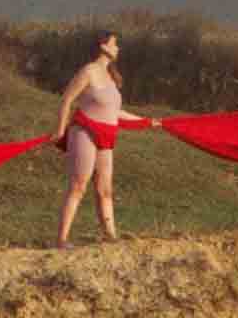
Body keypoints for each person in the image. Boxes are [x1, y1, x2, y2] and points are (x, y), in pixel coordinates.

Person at [53, 29, 159, 246]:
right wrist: (60, 130)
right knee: (78, 186)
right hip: (85, 131)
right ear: (103, 46)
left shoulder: (112, 77)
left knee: (105, 190)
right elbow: (66, 100)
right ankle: (61, 240)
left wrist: (146, 121)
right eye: (115, 43)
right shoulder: (88, 71)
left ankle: (111, 238)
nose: (118, 48)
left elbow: (115, 113)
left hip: (107, 135)